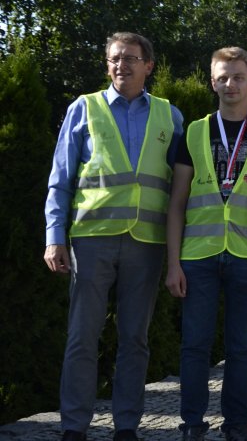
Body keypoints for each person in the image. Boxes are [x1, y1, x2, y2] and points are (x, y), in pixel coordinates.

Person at [44, 32, 184, 441]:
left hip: (147, 242)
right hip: (91, 240)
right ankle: (74, 426)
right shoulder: (83, 108)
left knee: (135, 339)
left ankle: (127, 426)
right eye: (114, 59)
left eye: (130, 58)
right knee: (82, 337)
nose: (121, 65)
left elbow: (181, 186)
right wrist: (54, 236)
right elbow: (60, 178)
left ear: (148, 66)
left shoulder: (170, 116)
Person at [165, 47, 247, 441]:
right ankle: (192, 423)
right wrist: (173, 263)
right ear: (212, 82)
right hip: (197, 256)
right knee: (195, 345)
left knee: (241, 347)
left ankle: (237, 424)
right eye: (222, 77)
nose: (230, 84)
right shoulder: (193, 132)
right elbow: (177, 203)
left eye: (237, 77)